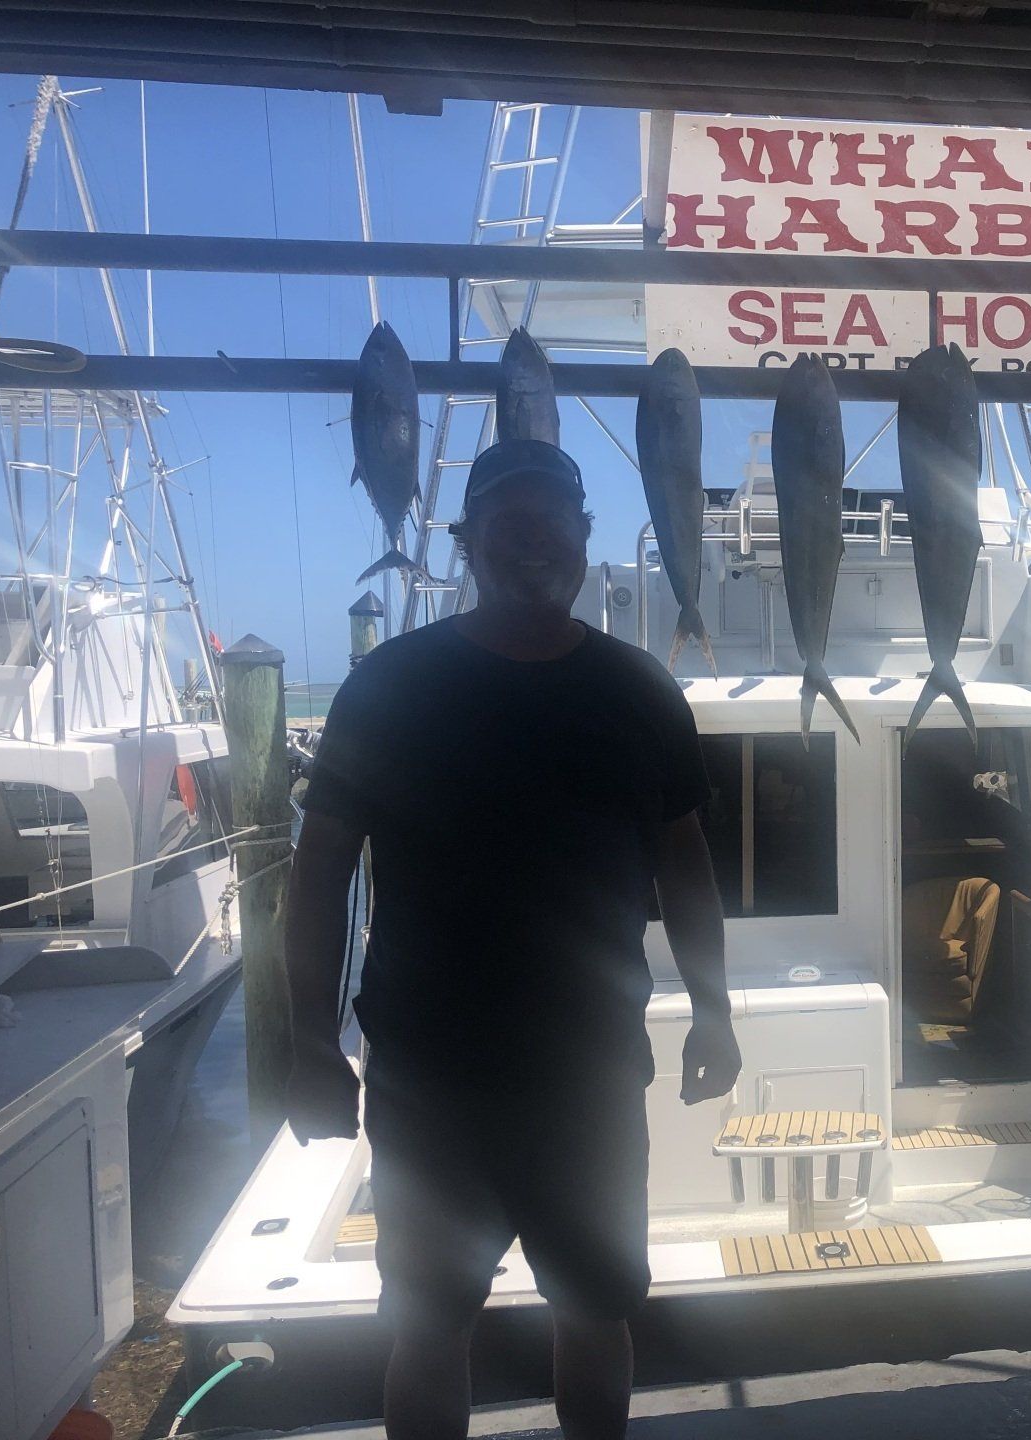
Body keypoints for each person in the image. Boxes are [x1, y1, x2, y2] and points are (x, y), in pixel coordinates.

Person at [284, 438, 741, 1440]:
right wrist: (309, 1041)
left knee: (595, 1310)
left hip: (590, 1078)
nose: (534, 543)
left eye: (553, 524)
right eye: (509, 524)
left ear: (583, 538)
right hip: (428, 1079)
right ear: (469, 541)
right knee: (429, 1325)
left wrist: (714, 1010)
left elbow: (687, 866)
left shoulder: (639, 692)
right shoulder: (389, 687)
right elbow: (317, 870)